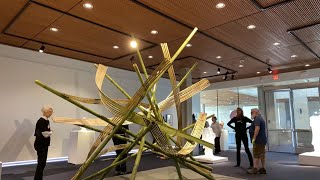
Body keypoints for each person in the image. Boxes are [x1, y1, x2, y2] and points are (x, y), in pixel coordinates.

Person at [34, 105, 53, 180]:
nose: (52, 113)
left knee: (42, 163)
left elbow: (46, 132)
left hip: (44, 145)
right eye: (50, 112)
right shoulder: (41, 121)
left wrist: (49, 132)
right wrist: (51, 132)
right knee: (41, 163)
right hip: (41, 145)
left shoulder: (46, 120)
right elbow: (45, 134)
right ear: (45, 112)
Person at [248, 108, 267, 174]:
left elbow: (257, 128)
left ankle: (255, 169)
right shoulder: (260, 118)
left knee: (256, 154)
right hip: (262, 140)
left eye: (251, 112)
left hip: (258, 140)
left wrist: (254, 138)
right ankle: (263, 168)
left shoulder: (257, 119)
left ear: (255, 112)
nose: (251, 114)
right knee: (262, 154)